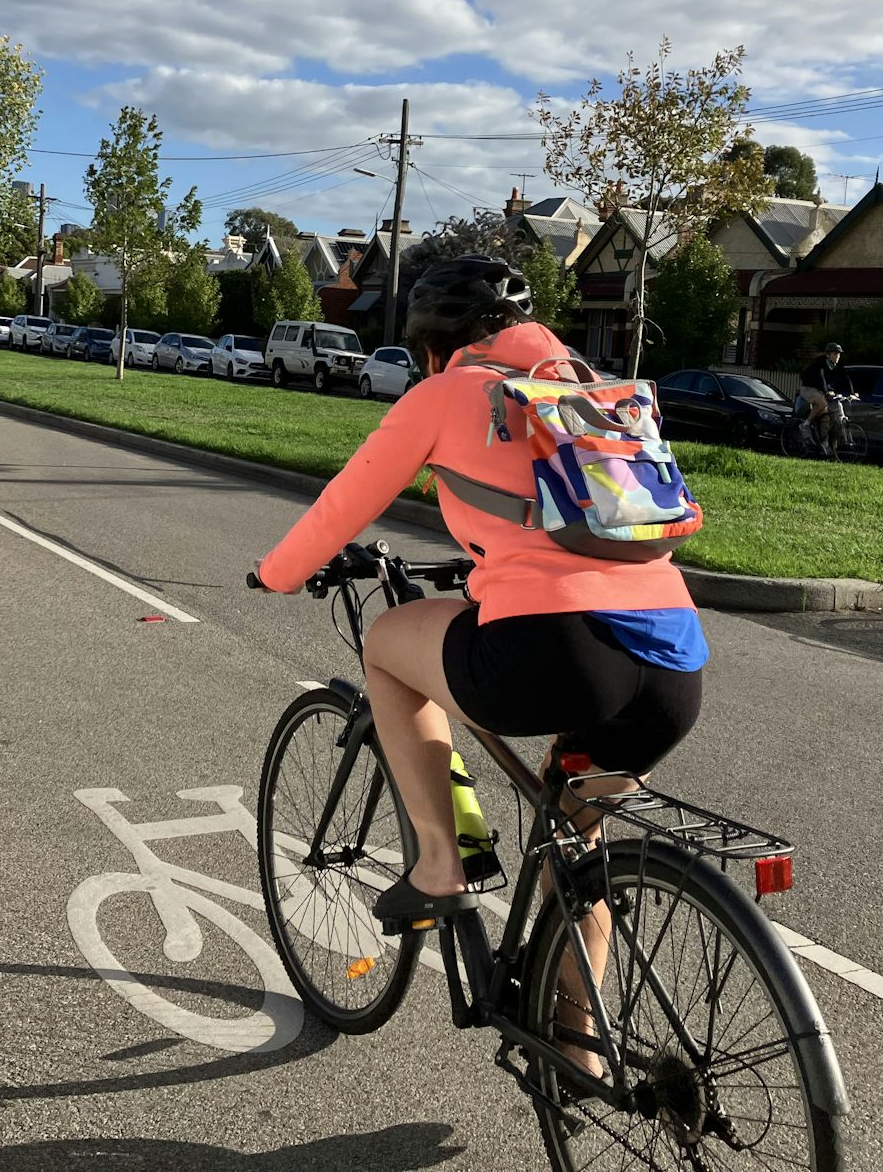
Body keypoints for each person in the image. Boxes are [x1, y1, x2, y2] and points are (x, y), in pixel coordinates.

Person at [253, 257, 707, 1068]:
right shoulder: (594, 390)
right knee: (575, 839)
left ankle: (439, 863)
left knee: (387, 648)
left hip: (556, 652)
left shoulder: (446, 393)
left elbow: (343, 506)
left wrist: (276, 572)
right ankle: (579, 1047)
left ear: (434, 346)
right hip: (672, 659)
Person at [797, 341, 855, 454]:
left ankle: (827, 444)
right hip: (809, 388)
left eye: (839, 354)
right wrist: (827, 392)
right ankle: (806, 424)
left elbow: (846, 378)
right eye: (835, 354)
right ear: (828, 355)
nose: (837, 356)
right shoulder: (819, 364)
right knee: (822, 404)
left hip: (821, 390)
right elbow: (821, 379)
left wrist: (853, 393)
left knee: (834, 414)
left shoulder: (836, 366)